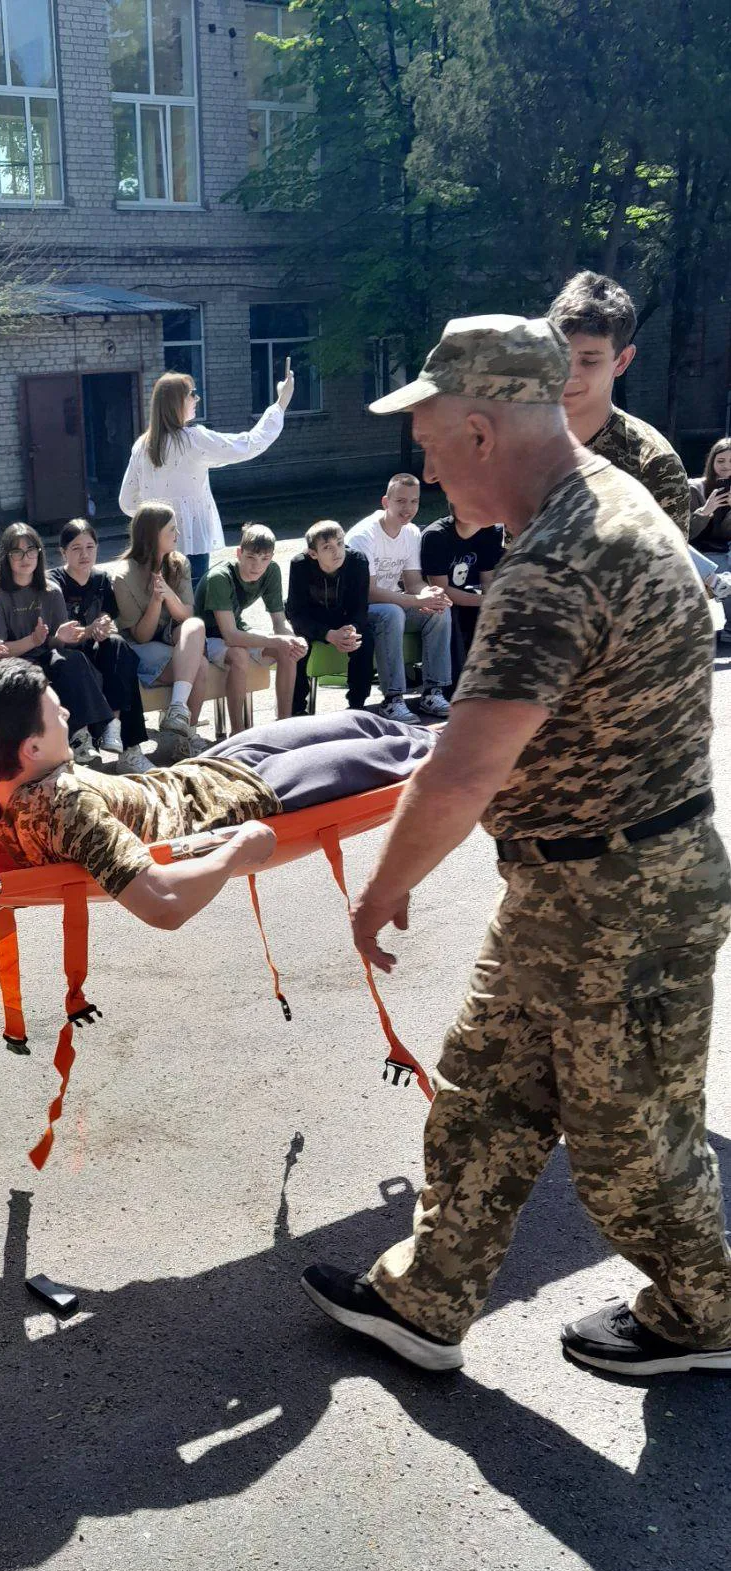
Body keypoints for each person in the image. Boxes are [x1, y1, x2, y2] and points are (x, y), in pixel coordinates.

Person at [299, 312, 731, 1379]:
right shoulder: (609, 497)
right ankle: (427, 1298)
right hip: (574, 883)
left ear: (483, 432)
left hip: (621, 897)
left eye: (432, 446)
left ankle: (704, 1313)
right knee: (485, 1092)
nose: (428, 473)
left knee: (630, 1144)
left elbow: (463, 771)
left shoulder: (558, 562)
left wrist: (380, 891)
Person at [0, 658, 432, 927]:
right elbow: (164, 905)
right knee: (393, 755)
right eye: (56, 714)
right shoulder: (68, 807)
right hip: (246, 797)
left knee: (360, 722)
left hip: (201, 770)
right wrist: (238, 849)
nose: (66, 717)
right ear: (32, 748)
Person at [119, 362, 296, 590]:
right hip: (192, 544)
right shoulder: (193, 440)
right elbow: (250, 444)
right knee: (192, 604)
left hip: (152, 545)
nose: (197, 398)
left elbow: (127, 501)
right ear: (177, 402)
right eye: (191, 394)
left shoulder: (142, 445)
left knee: (156, 602)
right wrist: (281, 403)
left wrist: (155, 522)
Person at [547, 270, 690, 536]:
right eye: (559, 355)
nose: (568, 374)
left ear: (622, 361)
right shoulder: (529, 445)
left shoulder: (653, 466)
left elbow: (670, 563)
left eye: (589, 361)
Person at [0, 522, 113, 765]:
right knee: (31, 678)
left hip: (45, 654)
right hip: (16, 661)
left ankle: (83, 737)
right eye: (17, 552)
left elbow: (54, 643)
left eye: (30, 550)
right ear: (6, 557)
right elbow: (0, 650)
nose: (25, 558)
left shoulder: (51, 590)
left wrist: (60, 637)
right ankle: (93, 730)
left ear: (39, 553)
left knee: (73, 660)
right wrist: (32, 640)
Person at [345, 477, 452, 722]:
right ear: (386, 502)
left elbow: (413, 582)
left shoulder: (412, 532)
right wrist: (416, 601)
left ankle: (433, 692)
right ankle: (392, 700)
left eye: (414, 501)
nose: (408, 509)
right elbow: (369, 592)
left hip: (394, 604)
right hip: (359, 610)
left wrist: (430, 595)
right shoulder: (364, 536)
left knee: (439, 610)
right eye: (401, 501)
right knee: (391, 612)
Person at [53, 518, 153, 774]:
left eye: (90, 547)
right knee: (76, 661)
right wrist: (90, 630)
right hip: (66, 654)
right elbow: (63, 634)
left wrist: (104, 623)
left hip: (93, 648)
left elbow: (108, 614)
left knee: (120, 648)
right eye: (76, 548)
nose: (84, 554)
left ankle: (124, 742)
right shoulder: (54, 583)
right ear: (63, 552)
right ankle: (87, 739)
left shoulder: (101, 579)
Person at [112, 503, 212, 759]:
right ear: (152, 534)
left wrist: (168, 594)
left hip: (172, 638)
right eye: (171, 529)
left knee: (196, 625)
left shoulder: (179, 563)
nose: (177, 534)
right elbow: (141, 636)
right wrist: (156, 602)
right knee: (200, 666)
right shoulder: (123, 576)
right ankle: (186, 736)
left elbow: (186, 615)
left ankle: (178, 712)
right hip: (139, 647)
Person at [196, 522, 308, 731]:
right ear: (239, 553)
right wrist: (276, 639)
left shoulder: (271, 571)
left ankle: (284, 725)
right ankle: (238, 732)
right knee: (239, 655)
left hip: (236, 629)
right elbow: (230, 636)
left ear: (271, 557)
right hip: (204, 636)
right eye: (251, 557)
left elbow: (279, 623)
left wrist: (293, 639)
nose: (257, 566)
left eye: (264, 558)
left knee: (289, 649)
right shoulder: (219, 577)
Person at [284, 522, 374, 714]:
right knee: (297, 643)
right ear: (313, 553)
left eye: (340, 543)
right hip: (311, 619)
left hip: (343, 618)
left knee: (364, 637)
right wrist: (327, 634)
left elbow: (360, 608)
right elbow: (296, 613)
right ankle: (296, 709)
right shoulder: (300, 564)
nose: (337, 551)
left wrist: (352, 628)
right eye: (327, 547)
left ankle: (357, 705)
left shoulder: (358, 561)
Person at [417, 503, 505, 681]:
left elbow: (487, 580)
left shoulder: (489, 533)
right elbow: (441, 591)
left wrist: (493, 604)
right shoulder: (436, 536)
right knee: (451, 612)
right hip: (438, 599)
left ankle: (492, 677)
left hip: (470, 594)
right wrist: (487, 601)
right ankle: (454, 683)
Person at [689, 437, 731, 575]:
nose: (726, 466)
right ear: (712, 461)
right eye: (721, 461)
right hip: (700, 553)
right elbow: (685, 534)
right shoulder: (694, 488)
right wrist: (705, 512)